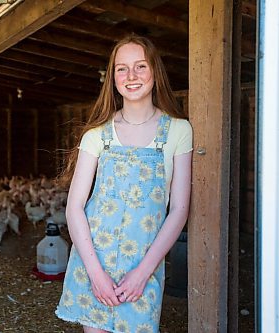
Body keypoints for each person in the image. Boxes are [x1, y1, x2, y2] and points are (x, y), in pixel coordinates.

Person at [55, 35, 192, 333]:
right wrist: (96, 274)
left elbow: (179, 210)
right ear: (112, 77)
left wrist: (143, 273)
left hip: (143, 268)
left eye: (140, 66)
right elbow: (74, 208)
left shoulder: (179, 131)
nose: (131, 76)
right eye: (122, 68)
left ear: (155, 72)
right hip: (94, 263)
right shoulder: (96, 135)